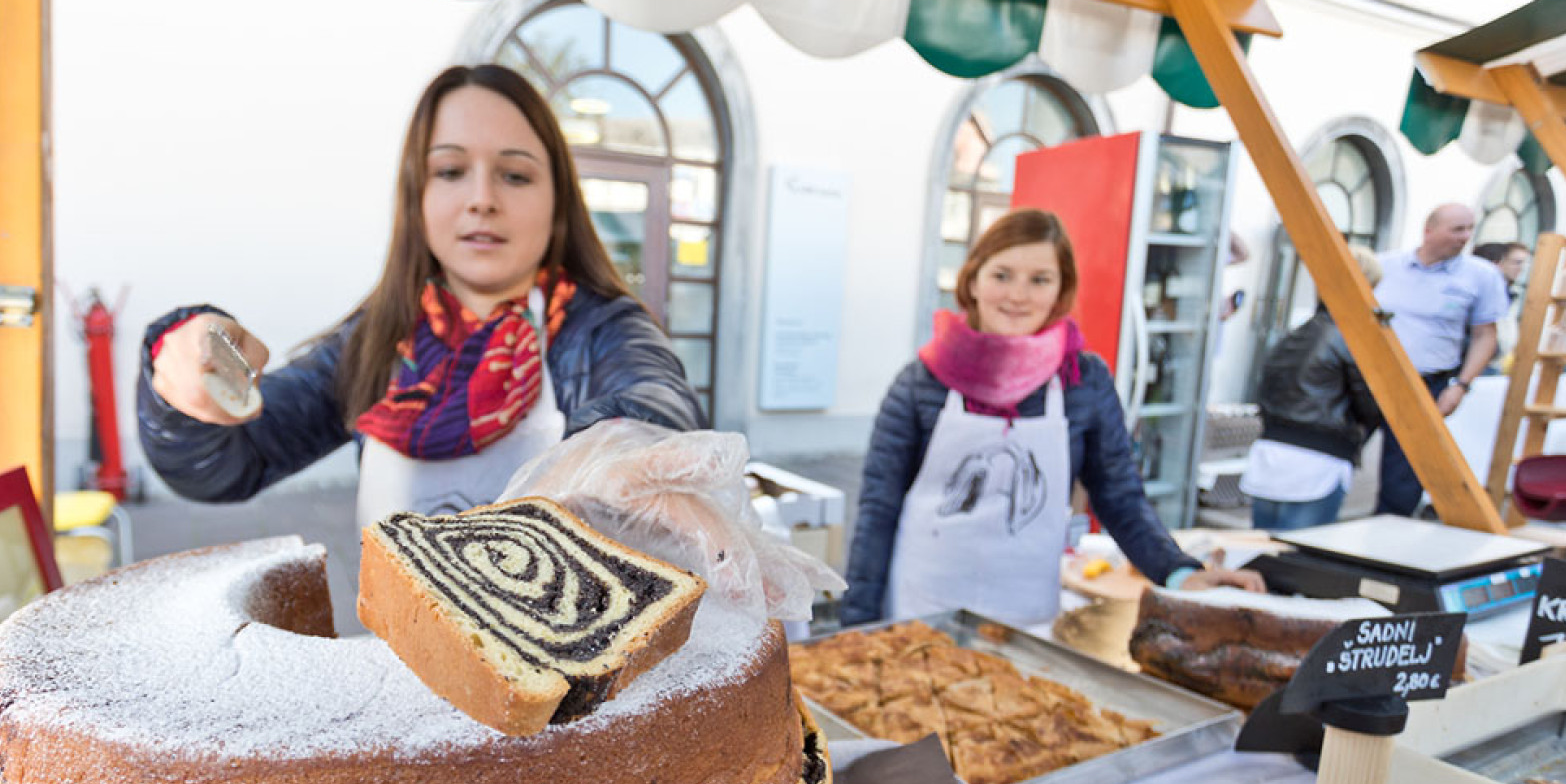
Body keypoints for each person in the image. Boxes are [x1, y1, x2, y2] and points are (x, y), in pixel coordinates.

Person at [138, 64, 703, 532]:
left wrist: (627, 448)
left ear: (558, 203)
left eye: (515, 175)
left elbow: (656, 404)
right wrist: (195, 371)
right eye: (451, 170)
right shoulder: (379, 341)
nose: (481, 199)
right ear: (417, 196)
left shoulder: (602, 329)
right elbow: (222, 467)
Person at [840, 210, 1262, 628]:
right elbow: (879, 509)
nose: (1018, 295)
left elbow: (1119, 496)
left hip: (1023, 617)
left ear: (1060, 291)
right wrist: (856, 626)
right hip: (922, 606)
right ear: (973, 280)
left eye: (1039, 279)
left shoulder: (1084, 381)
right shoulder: (921, 381)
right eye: (1002, 275)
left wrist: (1179, 572)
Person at [1372, 203, 1510, 517]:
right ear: (1429, 230)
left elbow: (1485, 336)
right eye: (1457, 229)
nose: (1465, 237)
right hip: (1369, 376)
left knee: (1404, 475)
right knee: (1335, 459)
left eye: (1469, 229)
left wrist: (1461, 385)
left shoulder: (1481, 276)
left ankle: (1386, 545)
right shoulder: (1386, 266)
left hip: (1426, 381)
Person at [1240, 246, 1385, 531]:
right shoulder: (1350, 338)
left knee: (1260, 555)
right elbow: (1370, 404)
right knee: (1299, 560)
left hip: (1272, 454)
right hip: (1317, 460)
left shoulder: (1297, 332)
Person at [1472, 240, 1529, 373]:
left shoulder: (1511, 293)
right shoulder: (1482, 293)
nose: (1521, 268)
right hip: (1481, 363)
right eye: (1517, 262)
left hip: (1496, 363)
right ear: (1496, 263)